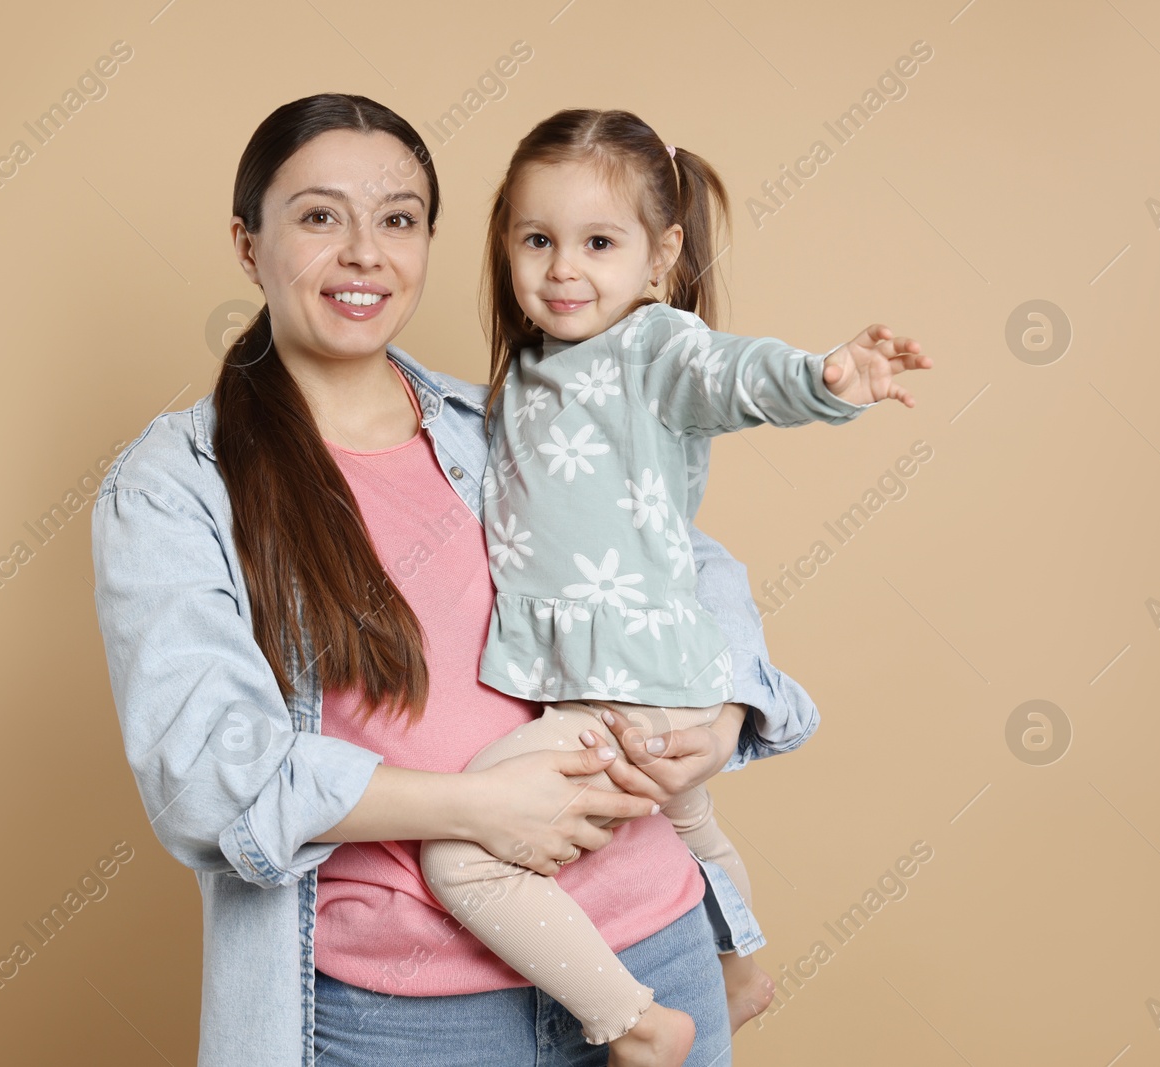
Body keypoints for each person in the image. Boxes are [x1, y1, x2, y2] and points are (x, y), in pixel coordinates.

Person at [91, 93, 835, 1067]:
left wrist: (725, 718)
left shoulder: (493, 423)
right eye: (320, 215)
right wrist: (472, 808)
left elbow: (689, 561)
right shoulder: (177, 487)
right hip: (407, 1015)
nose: (364, 251)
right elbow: (204, 773)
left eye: (396, 218)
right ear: (247, 241)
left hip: (659, 947)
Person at [416, 108, 932, 1062]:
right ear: (505, 246)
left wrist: (825, 376)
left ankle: (635, 1021)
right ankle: (743, 969)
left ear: (660, 258)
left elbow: (734, 373)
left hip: (629, 692)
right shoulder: (530, 372)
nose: (564, 268)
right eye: (539, 240)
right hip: (645, 679)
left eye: (599, 243)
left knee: (459, 853)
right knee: (691, 819)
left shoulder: (652, 348)